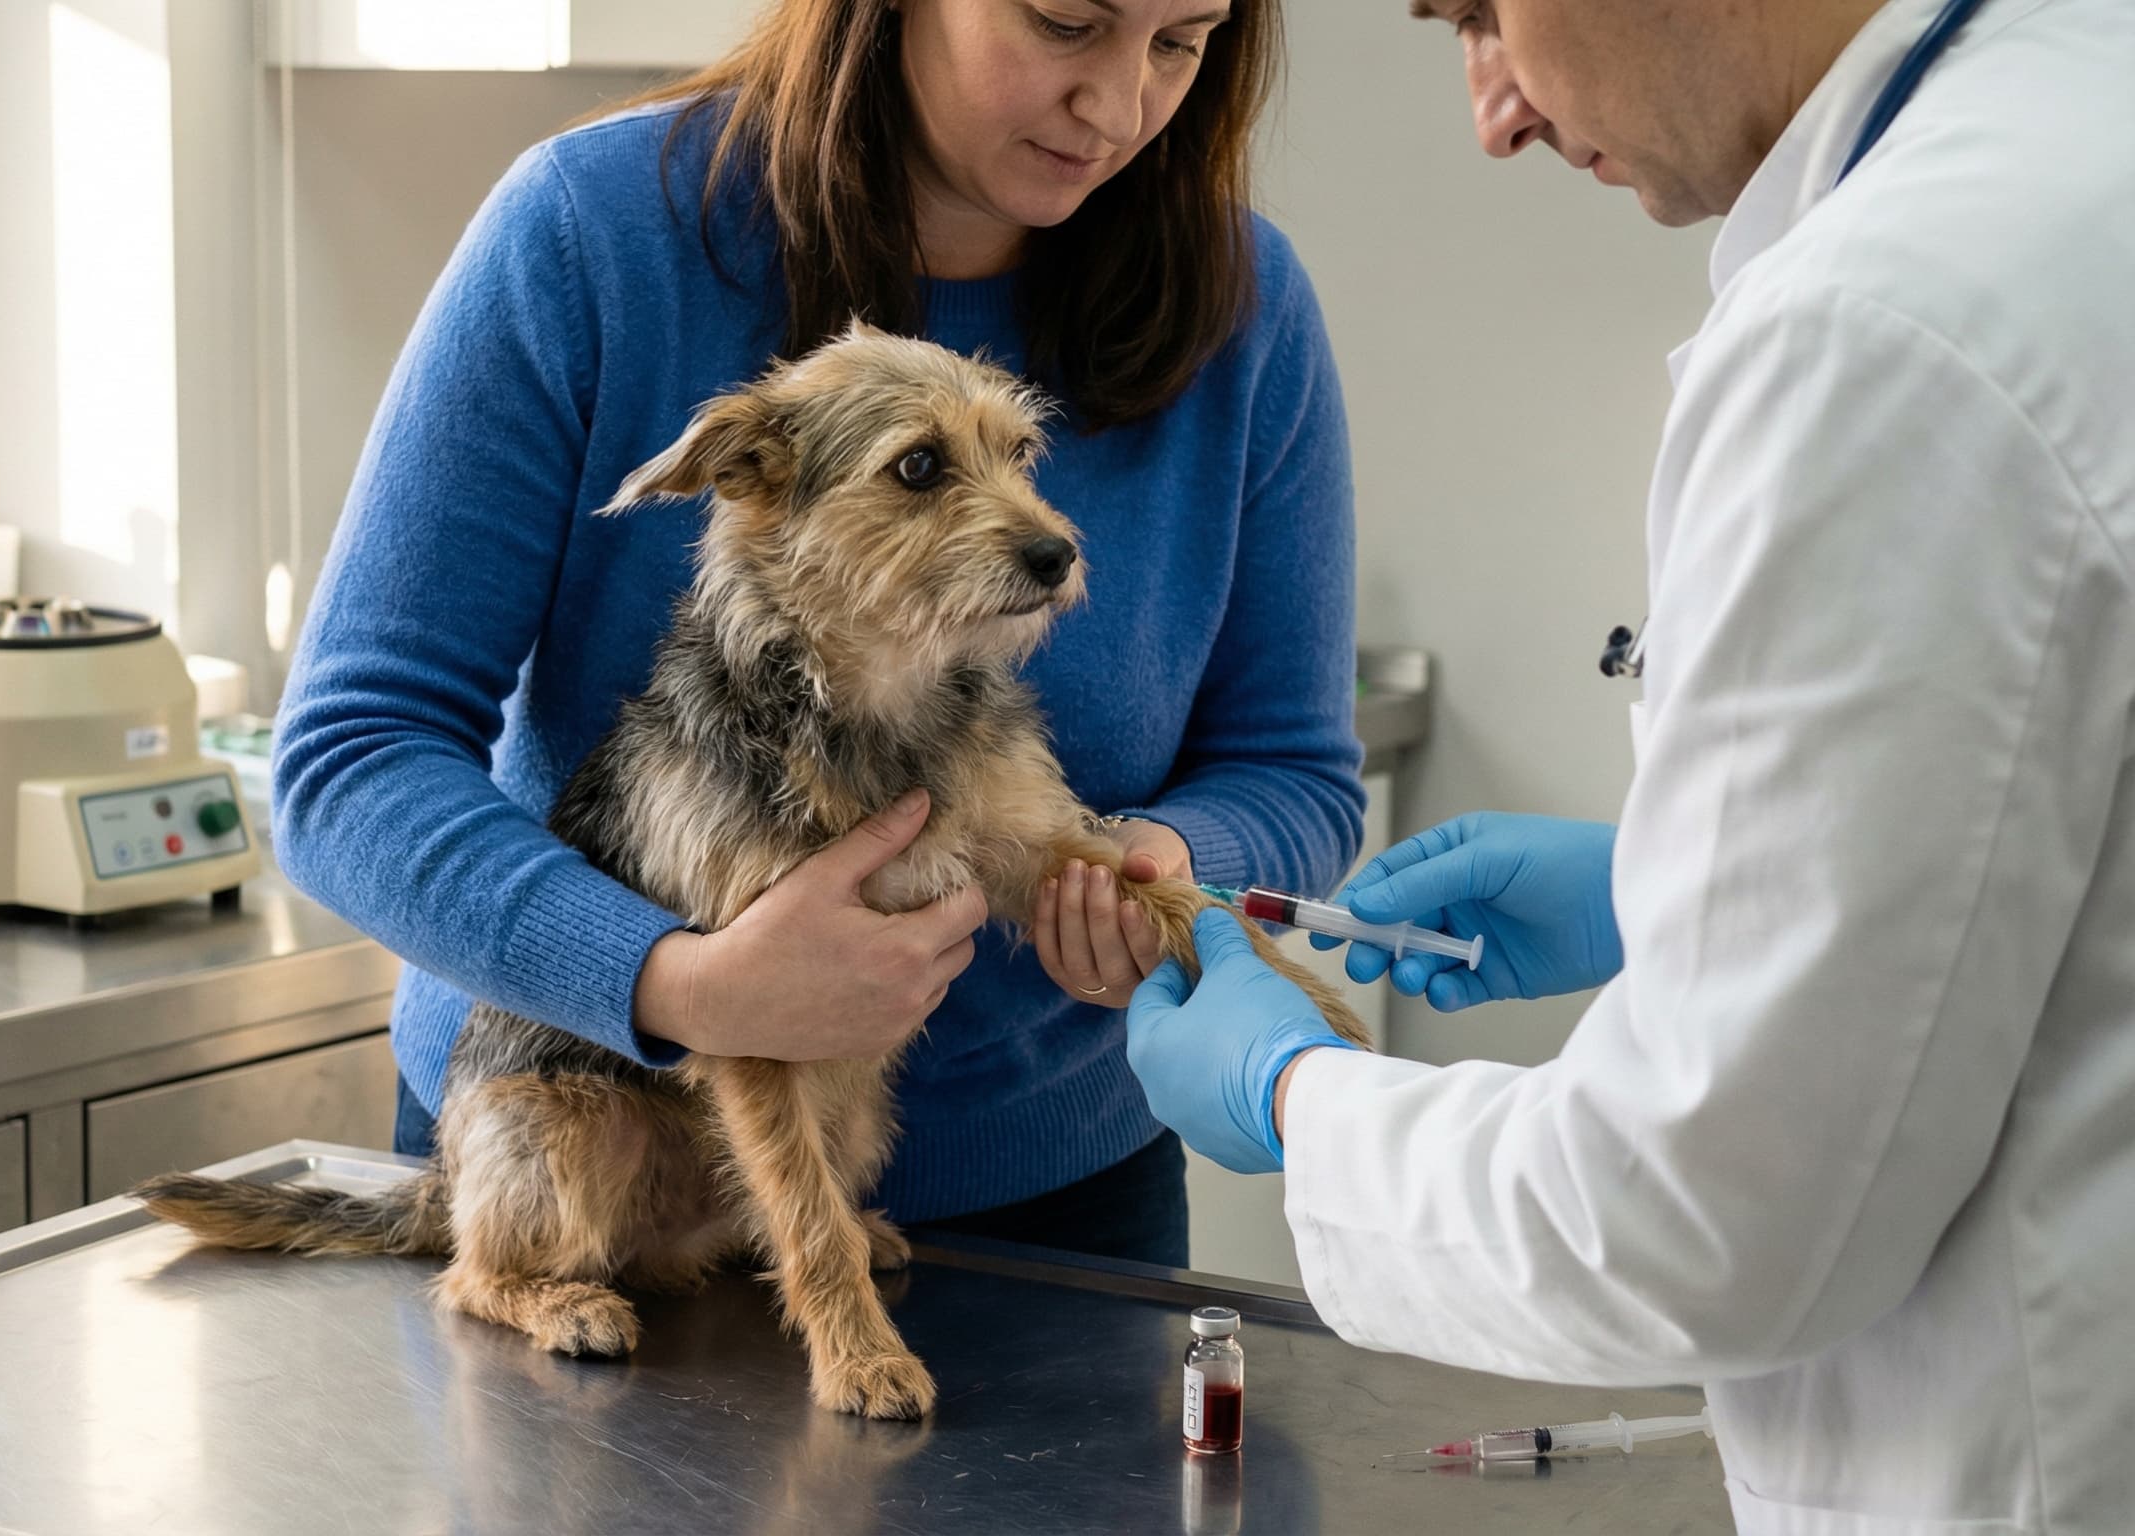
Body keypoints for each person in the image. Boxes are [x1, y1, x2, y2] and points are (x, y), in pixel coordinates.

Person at [1124, 0, 2135, 1528]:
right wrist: (1684, 892)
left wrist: (1301, 1102)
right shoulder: (2076, 124)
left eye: (1476, 14)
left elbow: (1691, 1220)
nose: (1493, 113)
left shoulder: (1886, 332)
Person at [278, 0, 1364, 1267]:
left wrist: (1157, 862)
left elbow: (1295, 770)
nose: (1119, 108)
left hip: (1052, 1202)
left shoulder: (1243, 303)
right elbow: (349, 757)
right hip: (600, 1161)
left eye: (1181, 42)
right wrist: (675, 985)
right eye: (1067, 22)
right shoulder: (589, 234)